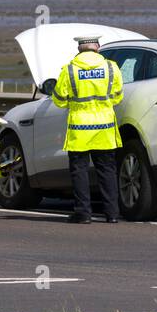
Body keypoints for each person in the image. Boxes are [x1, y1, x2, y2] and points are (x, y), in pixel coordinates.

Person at [52, 35, 123, 223]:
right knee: (107, 170)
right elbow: (117, 96)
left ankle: (83, 213)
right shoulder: (111, 67)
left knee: (79, 171)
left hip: (79, 128)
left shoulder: (69, 70)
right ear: (97, 47)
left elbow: (58, 99)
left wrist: (73, 104)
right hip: (105, 127)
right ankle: (112, 214)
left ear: (79, 49)